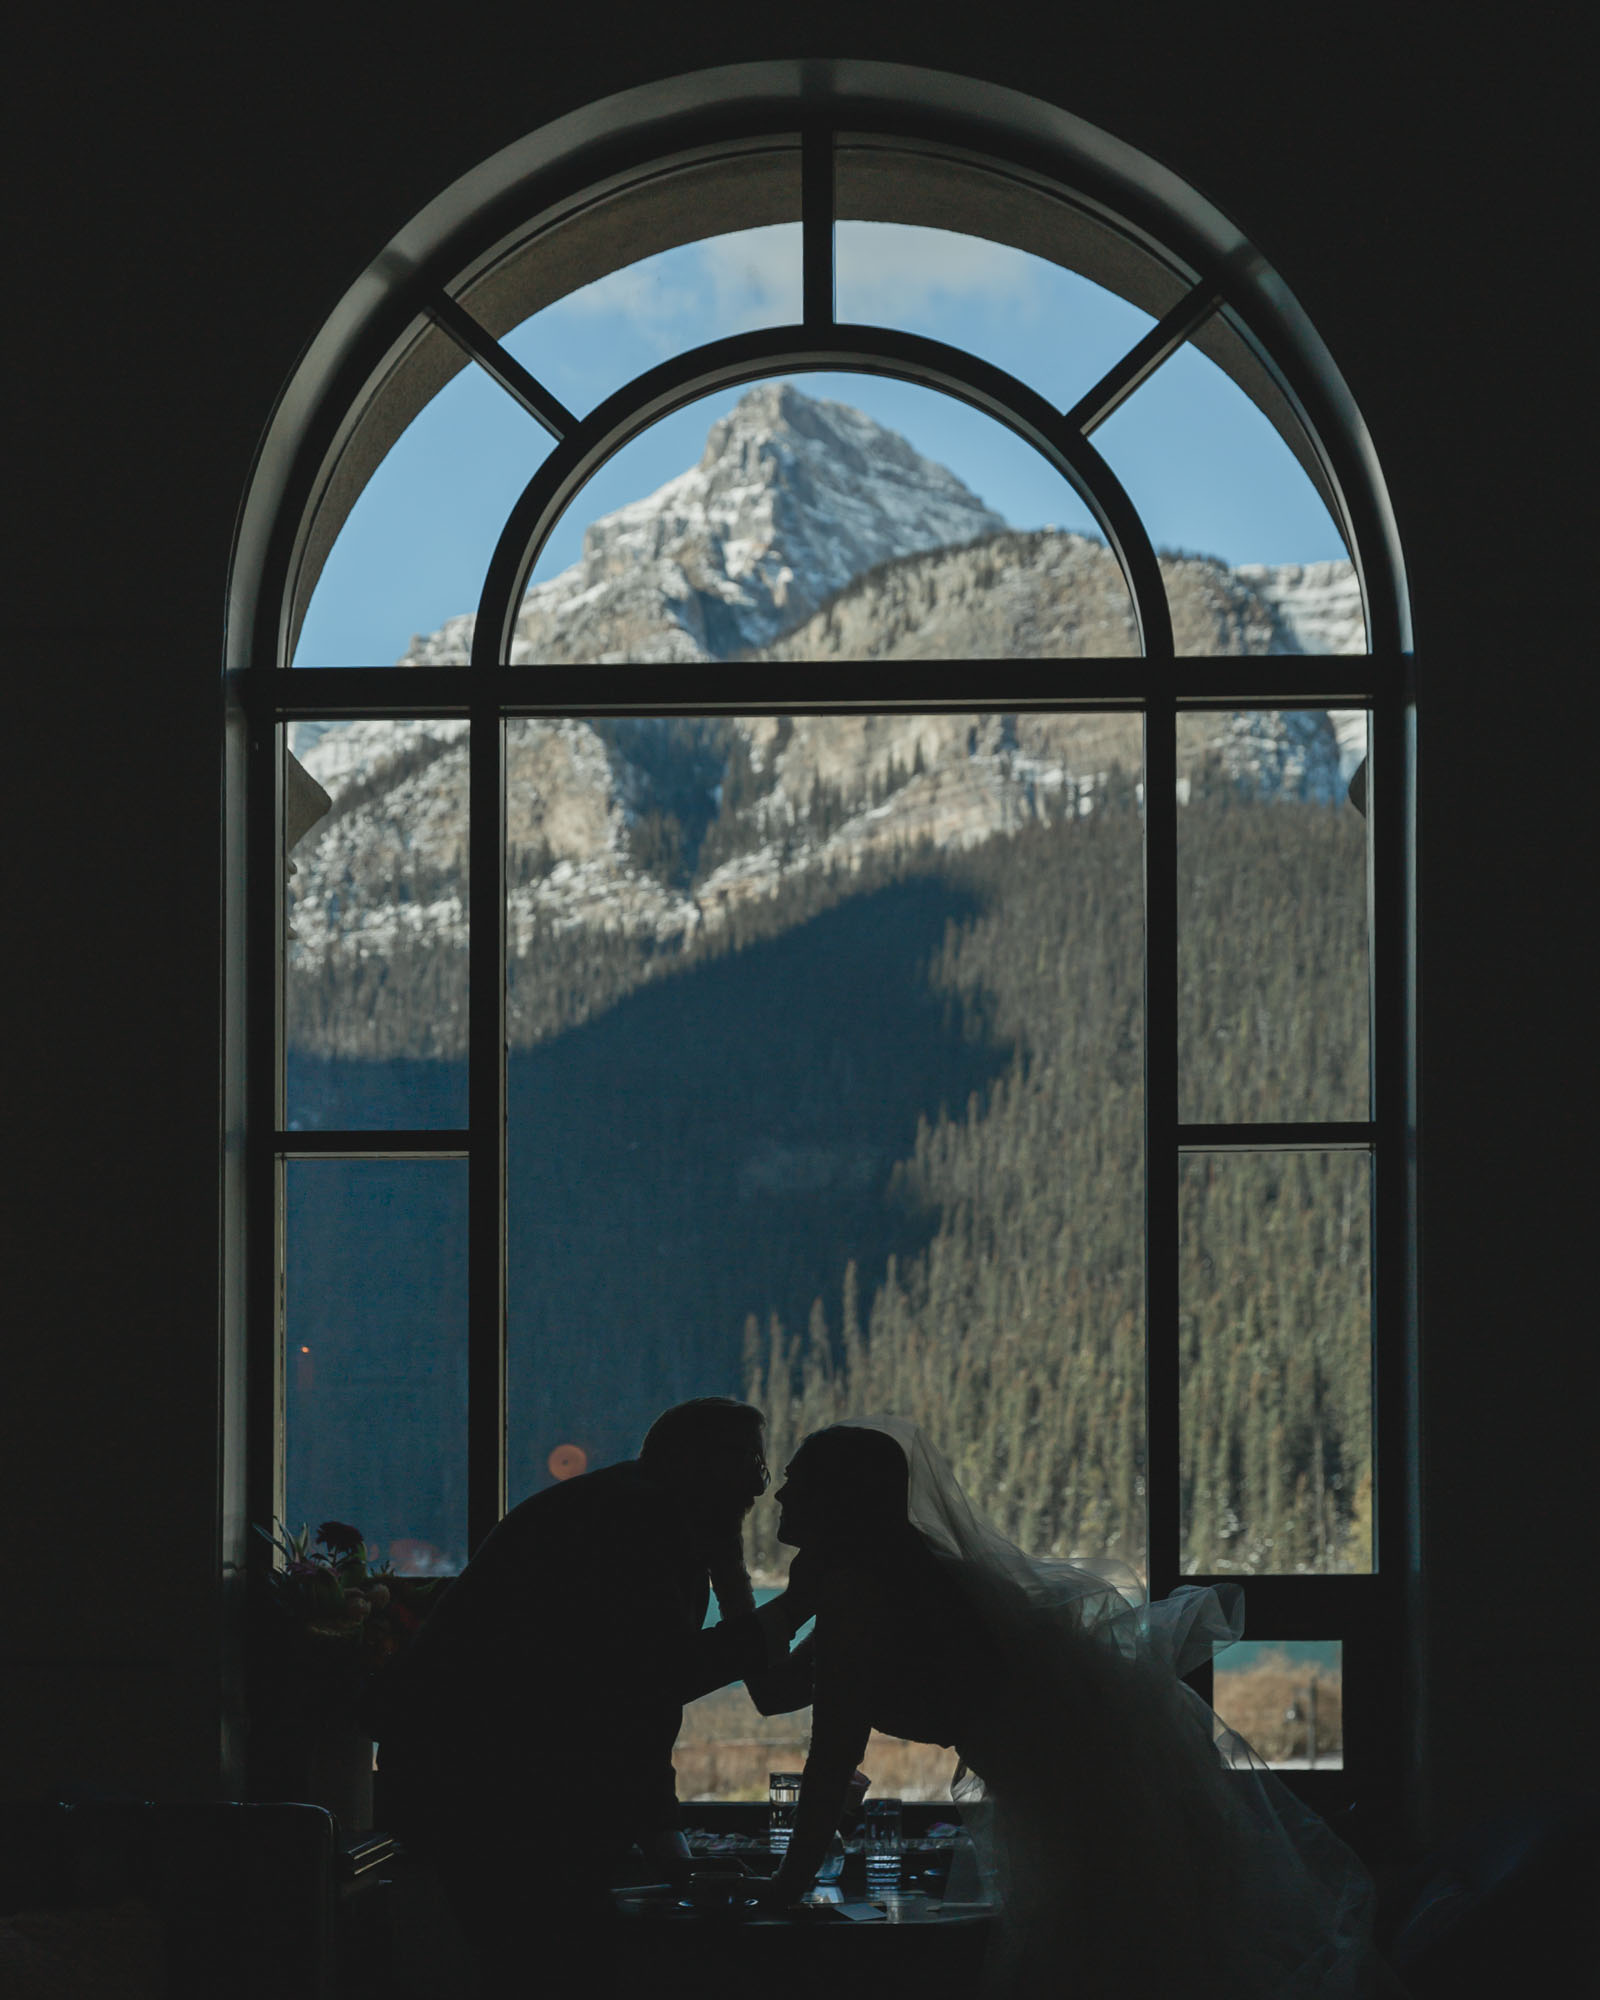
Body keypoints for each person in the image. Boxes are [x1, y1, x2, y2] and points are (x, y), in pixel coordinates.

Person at [757, 1416, 1402, 1998]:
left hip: (1081, 1812)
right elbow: (777, 1692)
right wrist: (748, 1582)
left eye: (795, 1480)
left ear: (840, 1499)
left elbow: (831, 1758)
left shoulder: (862, 1594)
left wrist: (779, 1893)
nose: (779, 1495)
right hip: (1086, 1798)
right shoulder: (902, 1576)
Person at [369, 1397, 813, 1996]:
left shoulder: (634, 1510)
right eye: (752, 1465)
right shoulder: (635, 1520)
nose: (759, 1489)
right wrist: (796, 1606)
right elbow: (659, 1676)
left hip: (481, 1791)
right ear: (693, 1462)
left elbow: (624, 1702)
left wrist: (673, 1854)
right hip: (499, 1798)